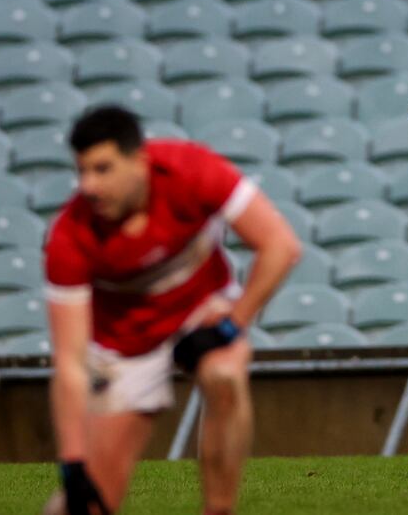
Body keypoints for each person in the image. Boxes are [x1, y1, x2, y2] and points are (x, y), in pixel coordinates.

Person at [42, 105, 302, 514]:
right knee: (86, 503)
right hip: (124, 347)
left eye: (102, 169)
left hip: (201, 308)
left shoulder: (192, 170)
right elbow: (70, 363)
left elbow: (281, 246)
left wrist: (233, 325)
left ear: (140, 161)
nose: (88, 186)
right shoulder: (68, 238)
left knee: (224, 372)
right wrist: (72, 461)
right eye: (82, 171)